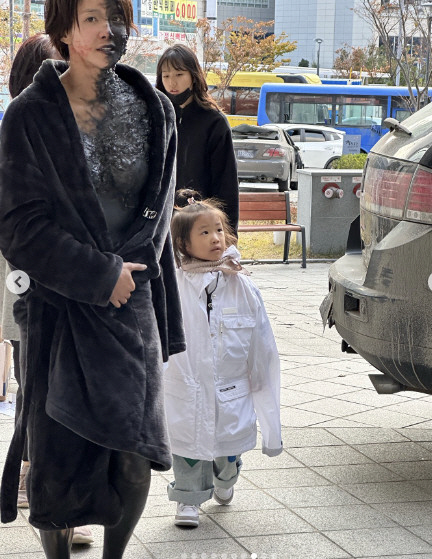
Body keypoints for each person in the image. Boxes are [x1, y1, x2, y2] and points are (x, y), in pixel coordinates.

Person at [0, 1, 185, 558]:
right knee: (56, 452)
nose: (110, 30)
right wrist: (96, 274)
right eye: (92, 19)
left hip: (133, 304)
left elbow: (159, 207)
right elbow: (16, 225)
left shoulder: (155, 109)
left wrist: (128, 276)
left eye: (117, 18)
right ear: (64, 30)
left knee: (133, 449)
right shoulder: (31, 115)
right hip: (61, 305)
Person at [4, 32, 95, 546]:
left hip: (59, 282)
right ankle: (45, 495)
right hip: (25, 283)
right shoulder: (21, 125)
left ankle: (50, 494)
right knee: (37, 386)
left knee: (46, 385)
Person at [165, 189, 282, 528]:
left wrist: (263, 387)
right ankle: (188, 500)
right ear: (184, 244)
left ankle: (226, 479)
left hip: (231, 389)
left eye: (219, 230)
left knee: (227, 450)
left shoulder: (239, 284)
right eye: (204, 232)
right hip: (185, 387)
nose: (215, 238)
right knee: (187, 447)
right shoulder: (174, 284)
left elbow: (262, 343)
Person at [155, 44, 239, 232]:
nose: (172, 83)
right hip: (162, 224)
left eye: (179, 74)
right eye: (166, 76)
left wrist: (228, 235)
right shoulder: (157, 118)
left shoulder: (214, 121)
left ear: (193, 77)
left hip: (202, 224)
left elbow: (226, 185)